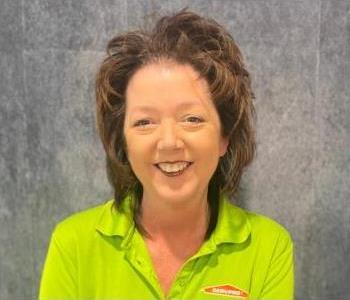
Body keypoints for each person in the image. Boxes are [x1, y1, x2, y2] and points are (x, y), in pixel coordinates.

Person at [39, 9, 294, 300]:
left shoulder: (268, 246)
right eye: (145, 122)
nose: (169, 142)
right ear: (123, 142)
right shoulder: (73, 244)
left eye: (192, 119)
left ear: (225, 137)